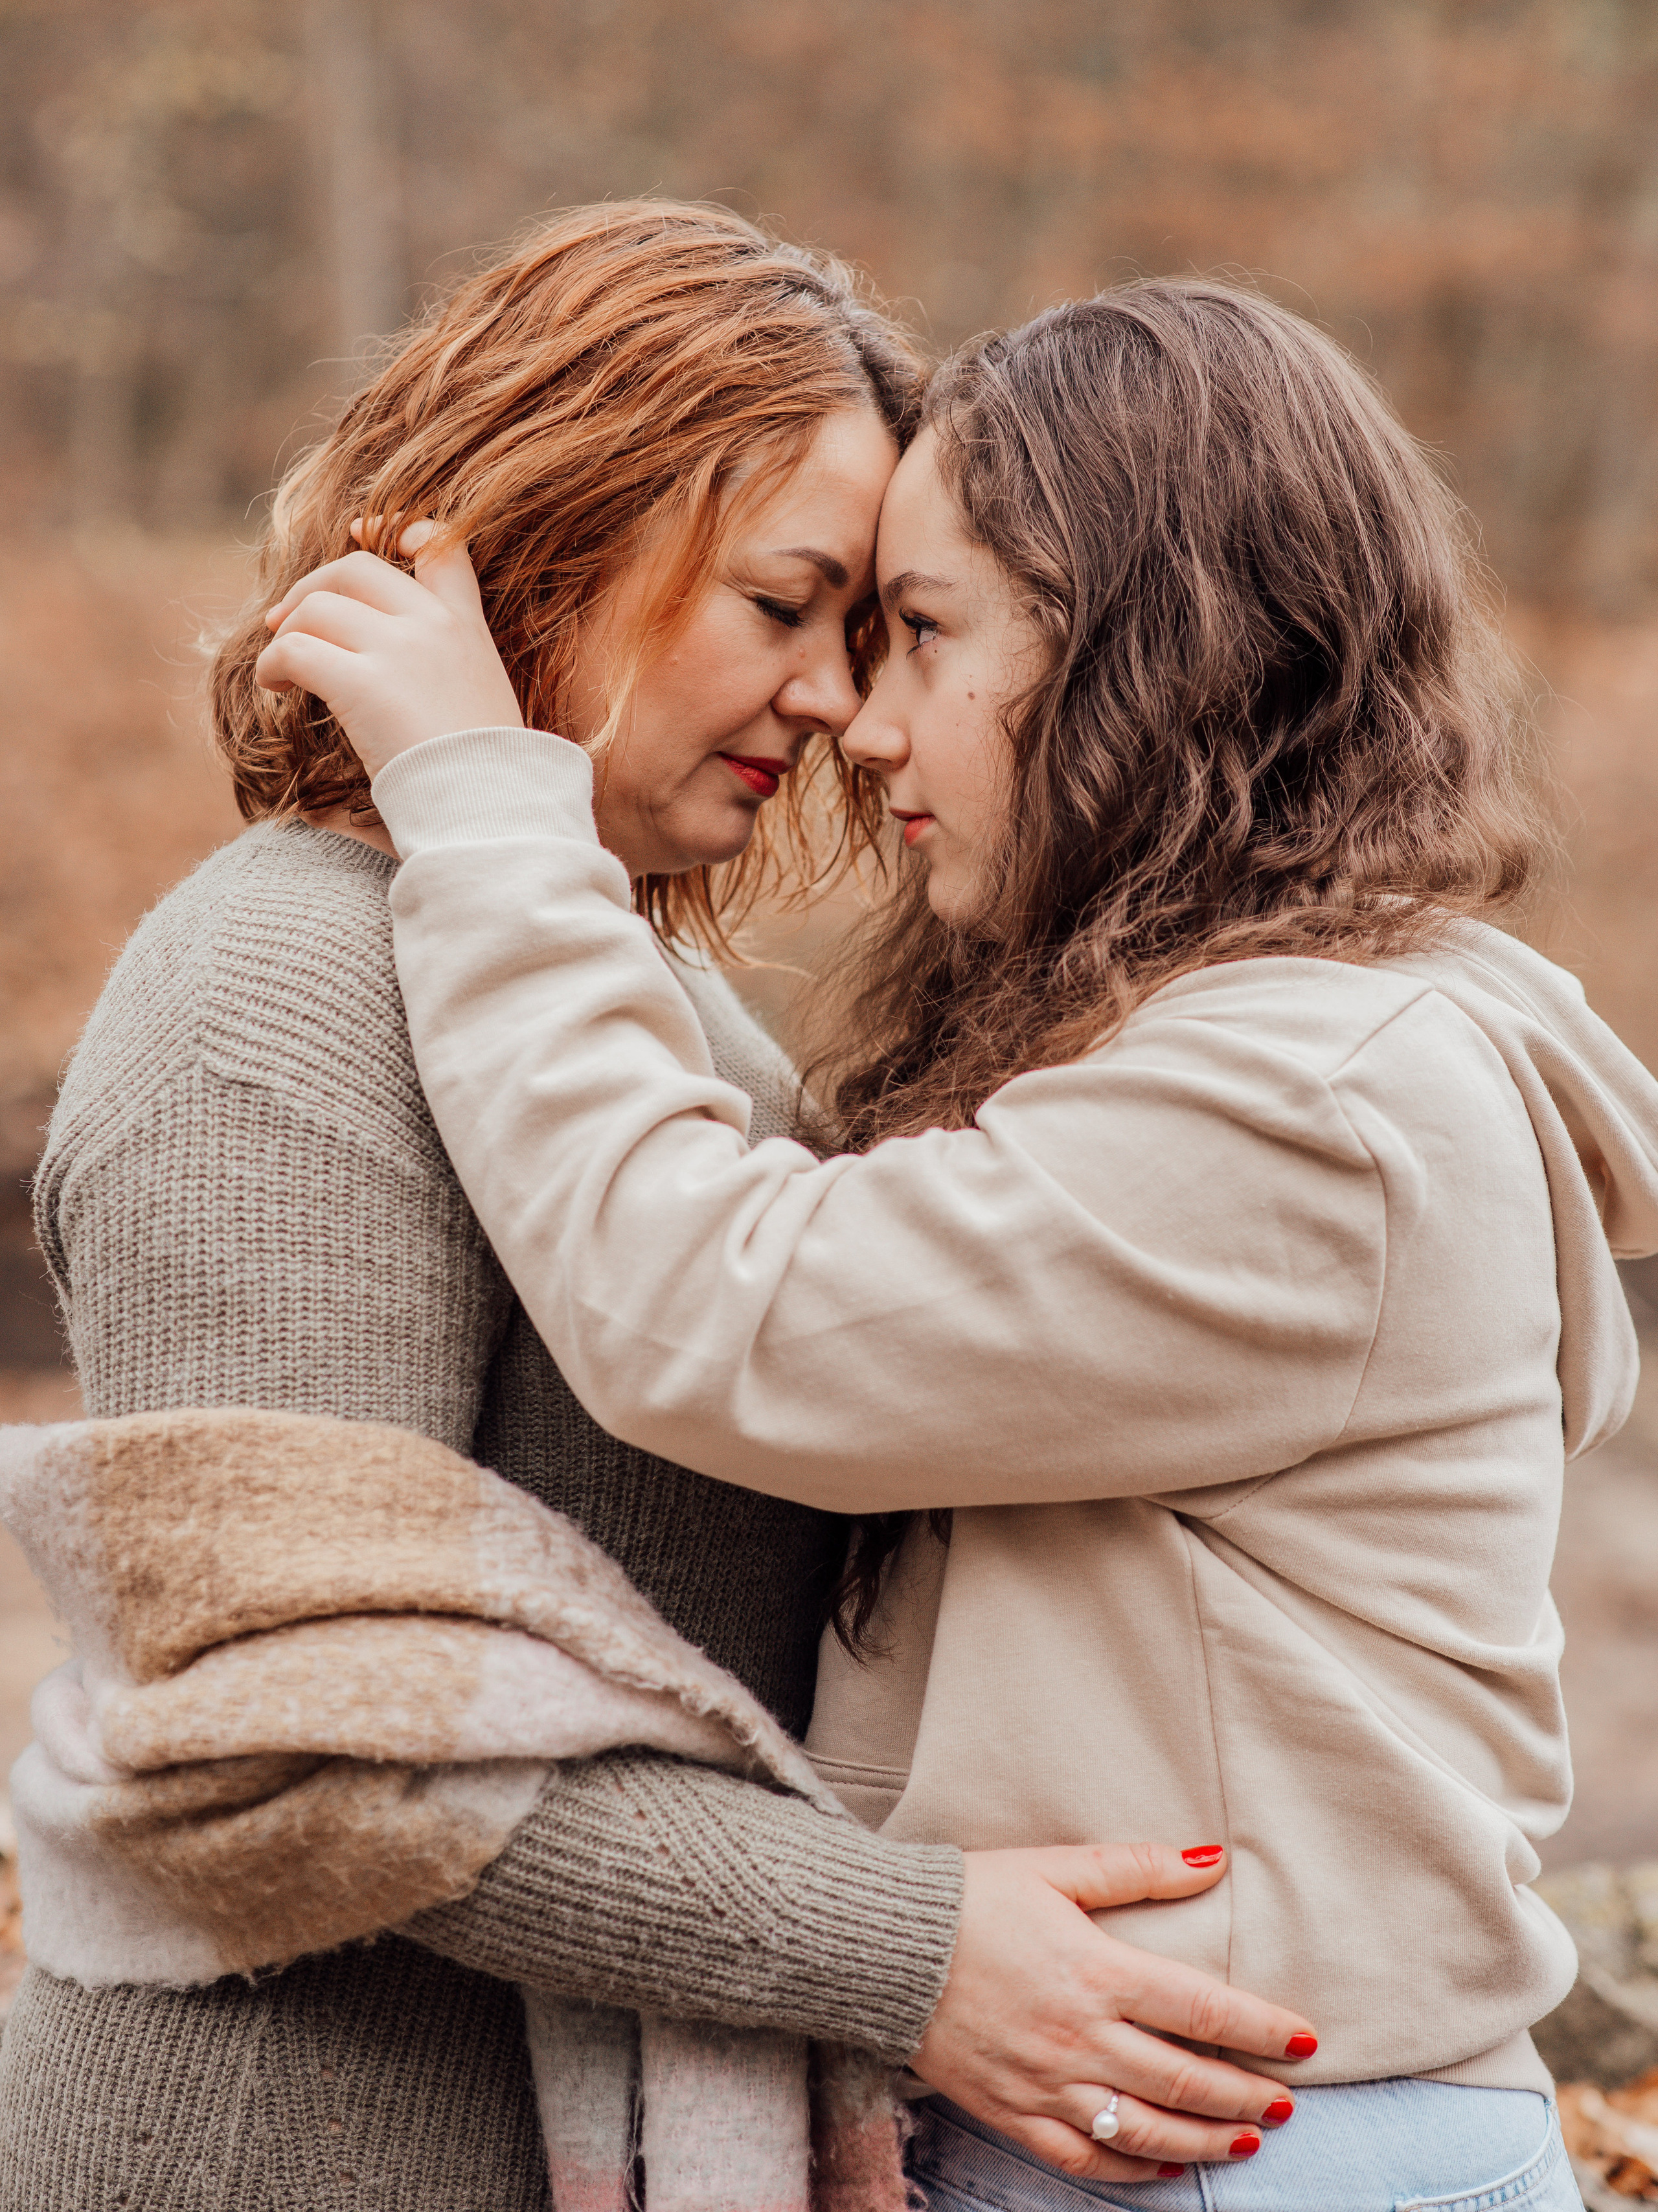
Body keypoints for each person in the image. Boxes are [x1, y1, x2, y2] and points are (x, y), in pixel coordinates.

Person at [256, 275, 1658, 2212]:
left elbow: (709, 1300)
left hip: (1218, 2154)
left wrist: (488, 806)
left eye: (920, 632)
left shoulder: (1305, 1102)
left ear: (1149, 644)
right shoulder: (1271, 1039)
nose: (863, 720)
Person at [0, 218, 1307, 2212]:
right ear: (561, 526)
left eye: (870, 628)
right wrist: (913, 1951)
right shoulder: (269, 986)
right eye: (786, 602)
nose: (836, 700)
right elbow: (297, 1729)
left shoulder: (648, 1009)